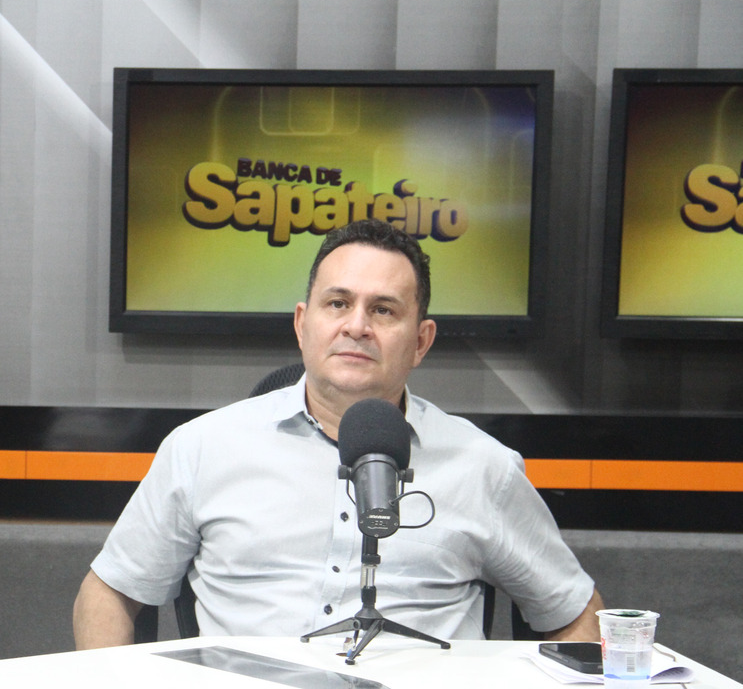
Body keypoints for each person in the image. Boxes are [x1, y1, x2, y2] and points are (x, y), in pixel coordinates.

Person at [74, 218, 603, 649]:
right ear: (302, 324)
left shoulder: (484, 466)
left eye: (383, 310)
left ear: (421, 342)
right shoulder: (201, 449)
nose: (356, 326)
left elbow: (575, 614)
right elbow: (109, 594)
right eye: (337, 303)